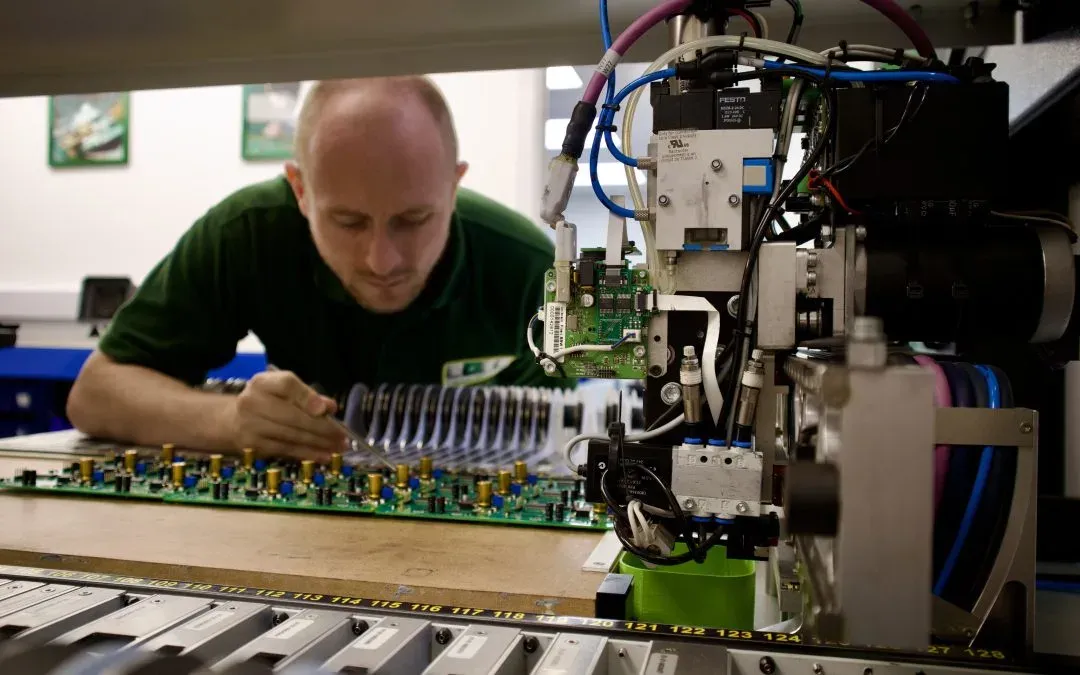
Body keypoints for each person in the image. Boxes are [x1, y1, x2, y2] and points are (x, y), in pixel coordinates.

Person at [67, 76, 571, 460]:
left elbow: (580, 436)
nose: (382, 261)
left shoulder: (529, 268)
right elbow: (95, 393)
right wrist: (229, 422)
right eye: (348, 221)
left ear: (454, 186)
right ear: (301, 191)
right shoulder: (247, 233)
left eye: (413, 220)